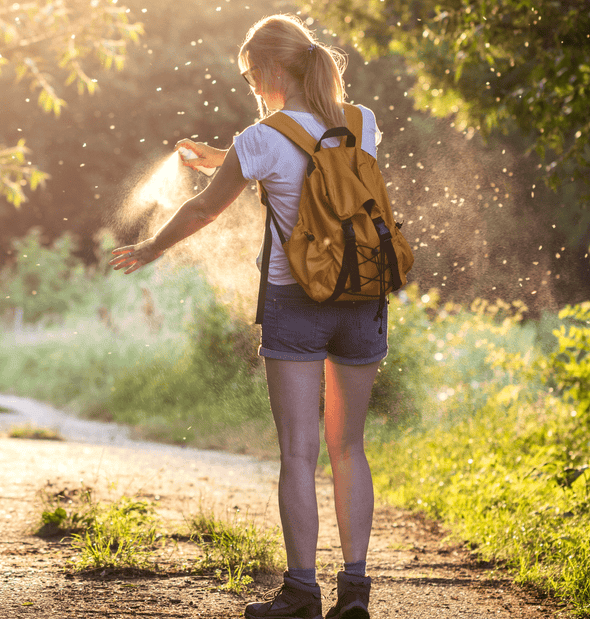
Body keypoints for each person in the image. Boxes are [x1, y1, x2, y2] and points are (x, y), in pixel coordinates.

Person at [109, 14, 383, 619]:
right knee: (349, 448)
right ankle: (356, 591)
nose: (251, 89)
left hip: (297, 302)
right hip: (364, 296)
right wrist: (224, 154)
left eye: (251, 76)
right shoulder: (362, 123)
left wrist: (152, 248)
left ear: (271, 71)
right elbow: (310, 156)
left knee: (297, 453)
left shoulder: (259, 139)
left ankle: (302, 593)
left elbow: (207, 209)